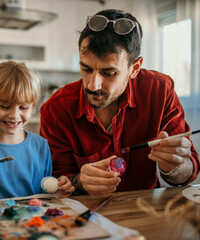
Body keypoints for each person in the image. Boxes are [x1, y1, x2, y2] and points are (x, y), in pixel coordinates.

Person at [40, 9, 200, 196]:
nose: (93, 85)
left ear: (135, 68)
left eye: (109, 73)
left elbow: (188, 172)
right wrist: (80, 181)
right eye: (86, 69)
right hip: (86, 214)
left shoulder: (160, 91)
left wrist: (174, 166)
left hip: (147, 211)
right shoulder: (56, 109)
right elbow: (55, 182)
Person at [0, 61, 75, 202]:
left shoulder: (41, 146)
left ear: (33, 107)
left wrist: (58, 188)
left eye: (23, 107)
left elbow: (44, 196)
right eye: (5, 106)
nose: (14, 115)